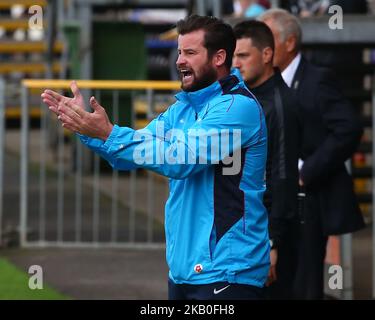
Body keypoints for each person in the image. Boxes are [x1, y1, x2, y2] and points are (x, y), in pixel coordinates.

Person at [42, 15, 270, 300]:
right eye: (178, 52)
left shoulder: (238, 107)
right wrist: (90, 129)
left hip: (229, 272)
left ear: (219, 57)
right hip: (184, 270)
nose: (179, 61)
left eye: (190, 52)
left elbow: (180, 159)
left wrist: (109, 133)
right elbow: (135, 153)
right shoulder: (183, 108)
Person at [259, 8, 365, 299]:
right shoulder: (260, 86)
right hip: (275, 201)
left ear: (289, 42)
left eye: (266, 40)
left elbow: (349, 127)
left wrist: (306, 170)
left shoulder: (317, 80)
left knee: (304, 284)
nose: (260, 49)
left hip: (310, 203)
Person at [233, 20, 301, 299]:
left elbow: (283, 176)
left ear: (266, 55)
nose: (236, 63)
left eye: (243, 55)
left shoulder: (280, 104)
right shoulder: (242, 96)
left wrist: (273, 244)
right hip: (242, 231)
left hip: (267, 237)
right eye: (234, 55)